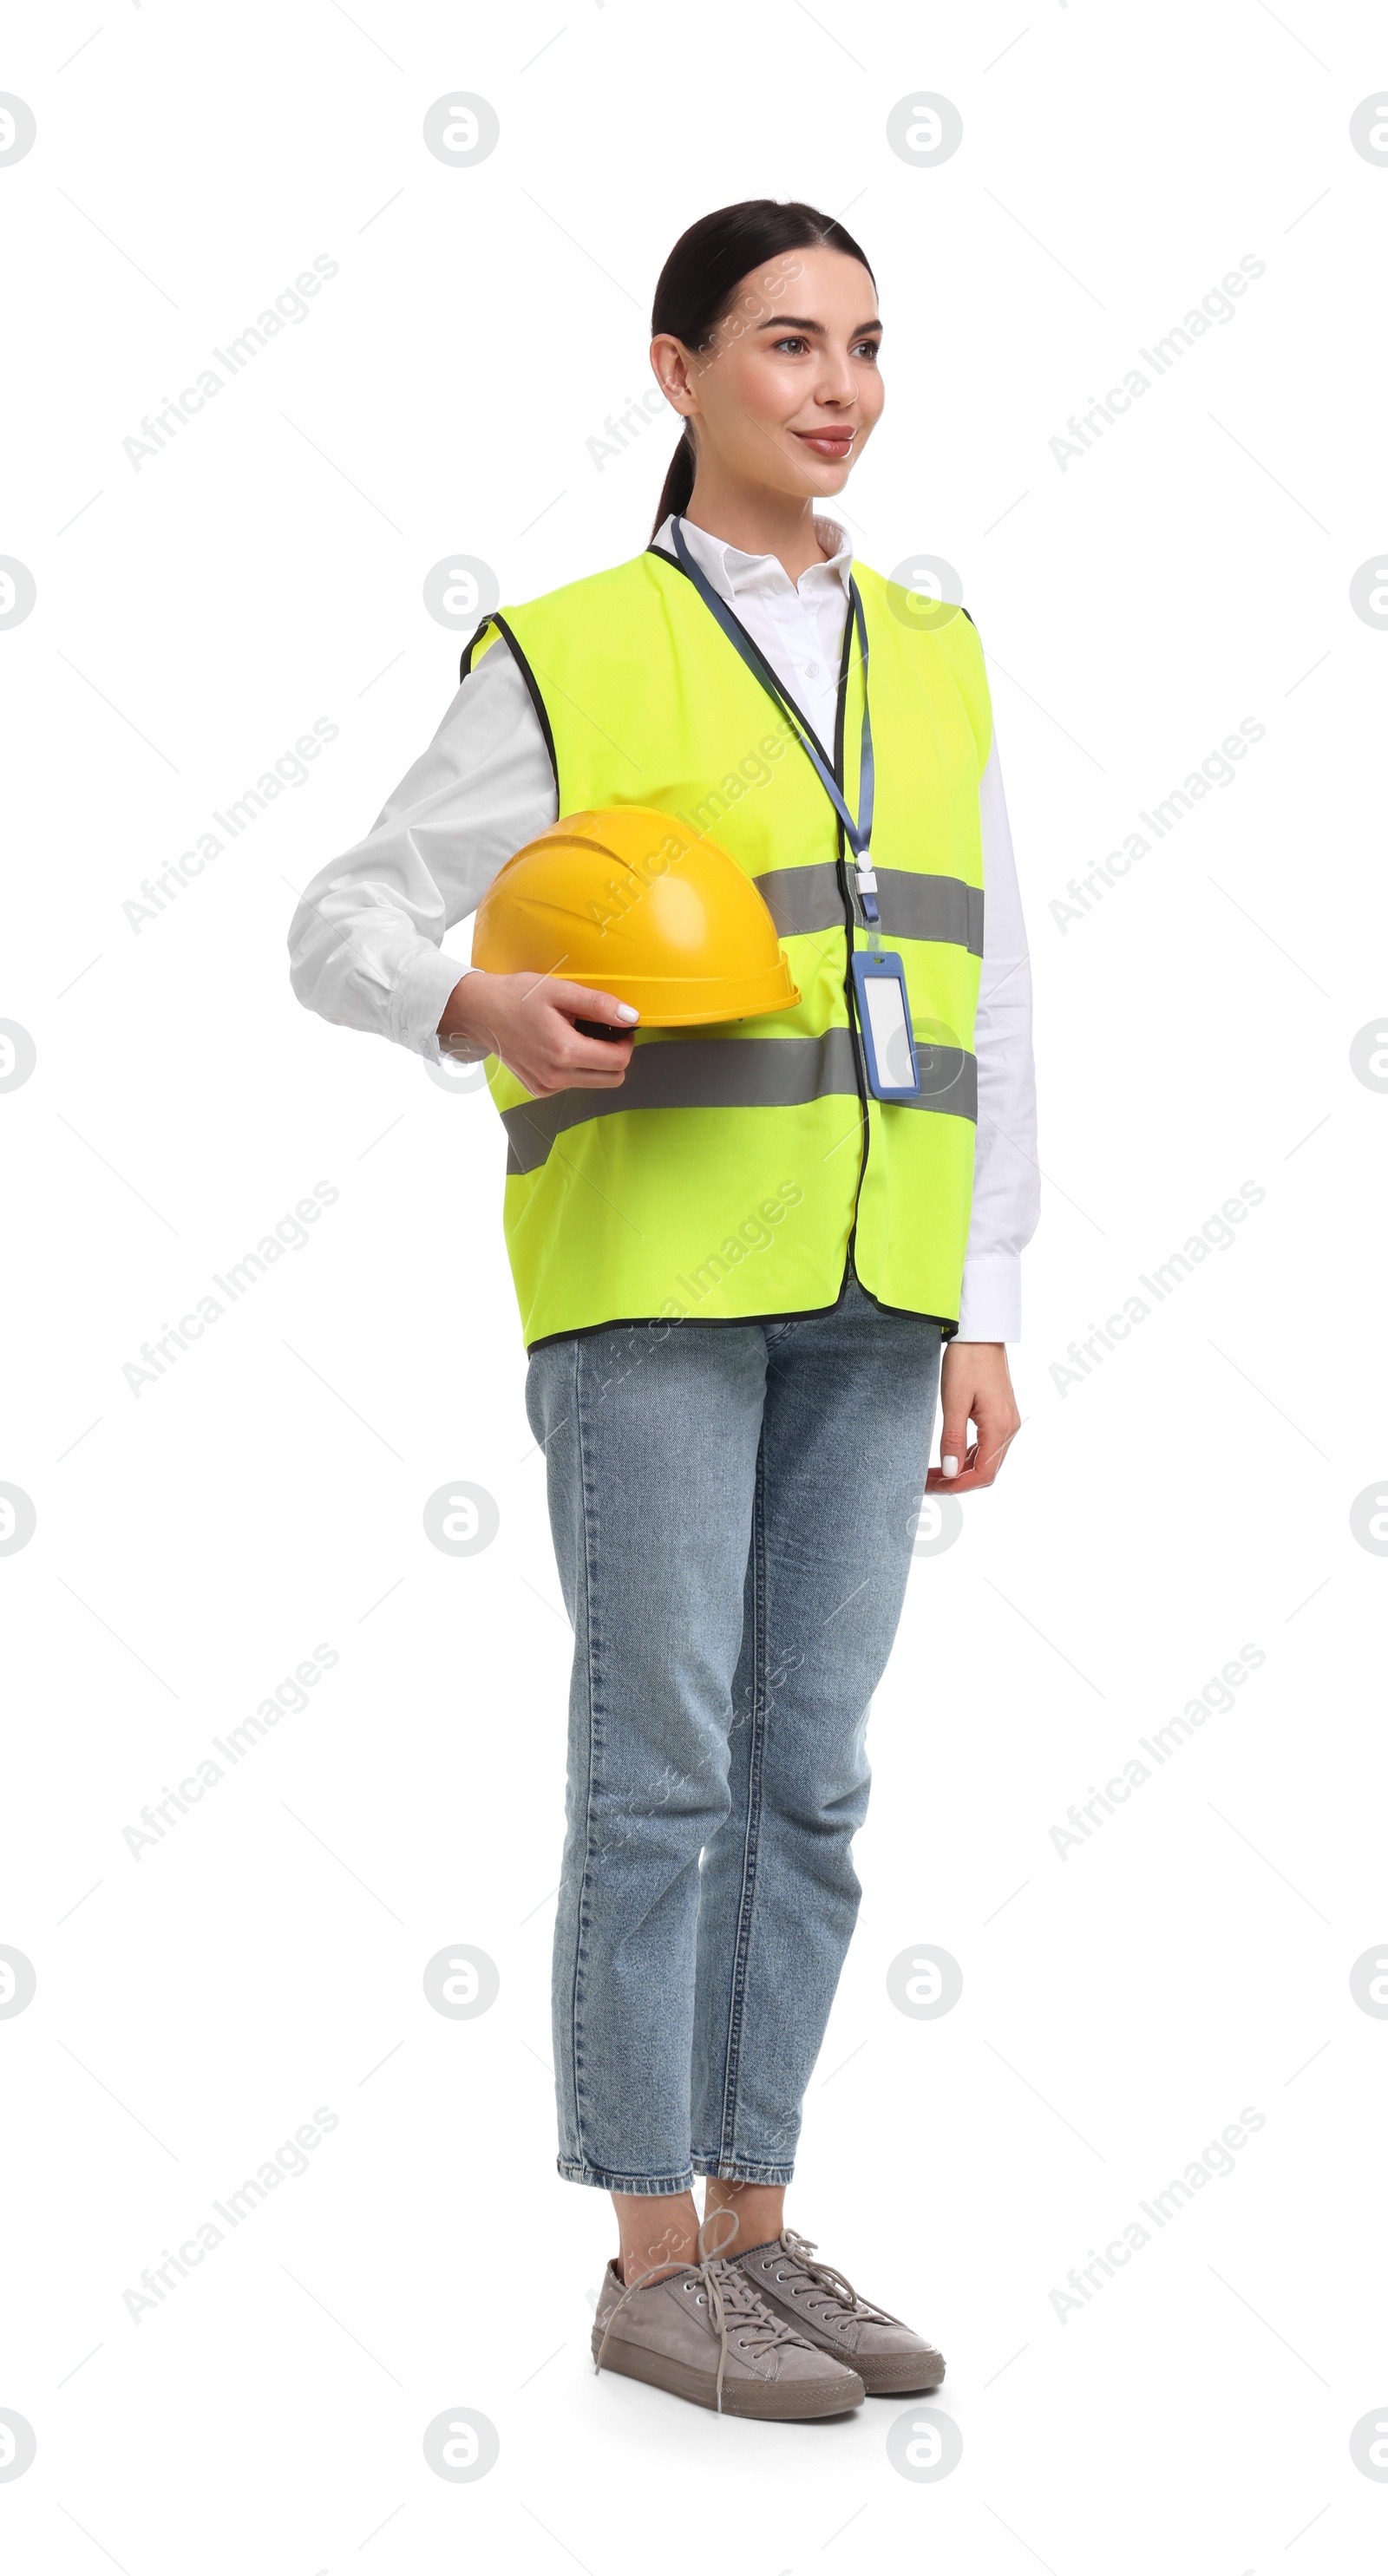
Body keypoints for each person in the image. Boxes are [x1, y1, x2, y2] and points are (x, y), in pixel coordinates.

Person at [288, 199, 1038, 2421]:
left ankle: (759, 2218)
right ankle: (645, 2254)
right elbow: (341, 916)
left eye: (869, 346)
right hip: (650, 1290)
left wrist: (982, 1295)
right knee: (664, 1770)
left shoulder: (935, 649)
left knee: (806, 1781)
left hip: (874, 1279)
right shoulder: (571, 647)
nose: (838, 387)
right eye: (790, 342)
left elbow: (1007, 993)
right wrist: (472, 996)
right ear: (676, 369)